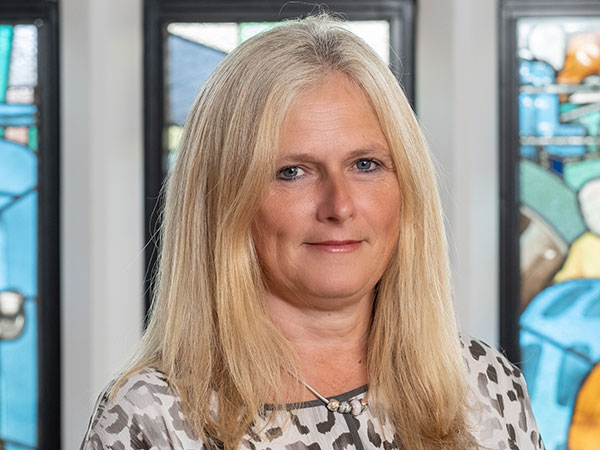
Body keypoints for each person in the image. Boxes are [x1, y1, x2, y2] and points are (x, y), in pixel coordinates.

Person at [80, 14, 545, 450]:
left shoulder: (486, 384)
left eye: (366, 165)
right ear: (223, 202)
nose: (339, 205)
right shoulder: (154, 415)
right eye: (292, 172)